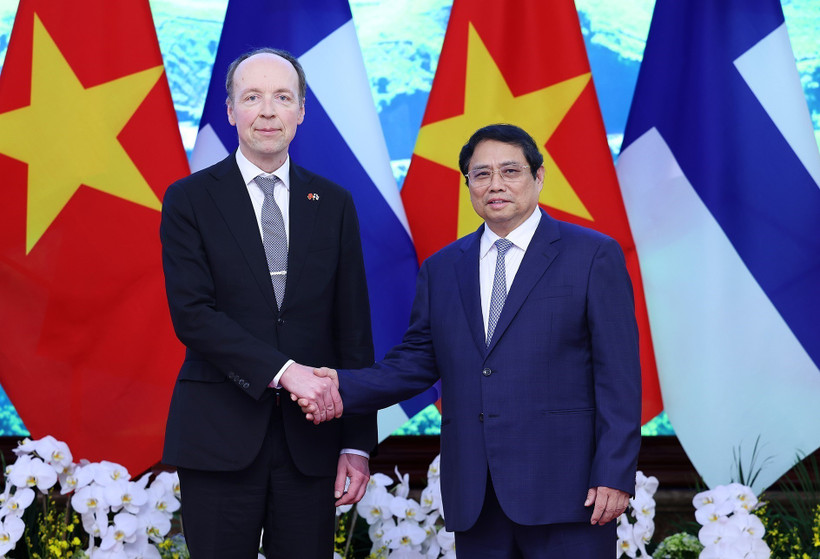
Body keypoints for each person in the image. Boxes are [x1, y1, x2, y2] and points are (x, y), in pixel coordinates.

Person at [307, 124, 642, 558]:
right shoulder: (443, 268)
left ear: (538, 178)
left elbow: (618, 376)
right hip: (477, 498)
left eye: (510, 171)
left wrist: (614, 473)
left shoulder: (592, 255)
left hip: (570, 494)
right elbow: (415, 363)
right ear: (468, 184)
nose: (495, 184)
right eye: (481, 174)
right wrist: (333, 385)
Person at [159, 47, 374, 559]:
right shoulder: (188, 199)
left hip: (313, 443)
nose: (268, 110)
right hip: (218, 435)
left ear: (301, 111)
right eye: (252, 97)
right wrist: (285, 371)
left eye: (283, 97)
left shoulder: (335, 203)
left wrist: (357, 442)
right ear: (231, 110)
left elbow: (354, 329)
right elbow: (193, 315)